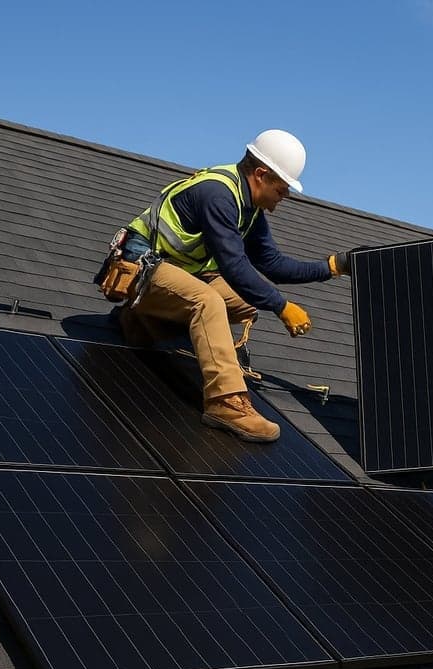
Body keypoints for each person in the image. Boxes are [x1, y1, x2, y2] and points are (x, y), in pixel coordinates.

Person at [110, 129, 354, 443]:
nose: (285, 198)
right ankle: (224, 403)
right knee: (208, 302)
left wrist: (332, 267)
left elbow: (272, 264)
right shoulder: (218, 194)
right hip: (138, 270)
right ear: (261, 174)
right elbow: (234, 266)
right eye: (282, 190)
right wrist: (282, 306)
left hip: (172, 276)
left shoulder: (248, 208)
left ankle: (140, 323)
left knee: (244, 303)